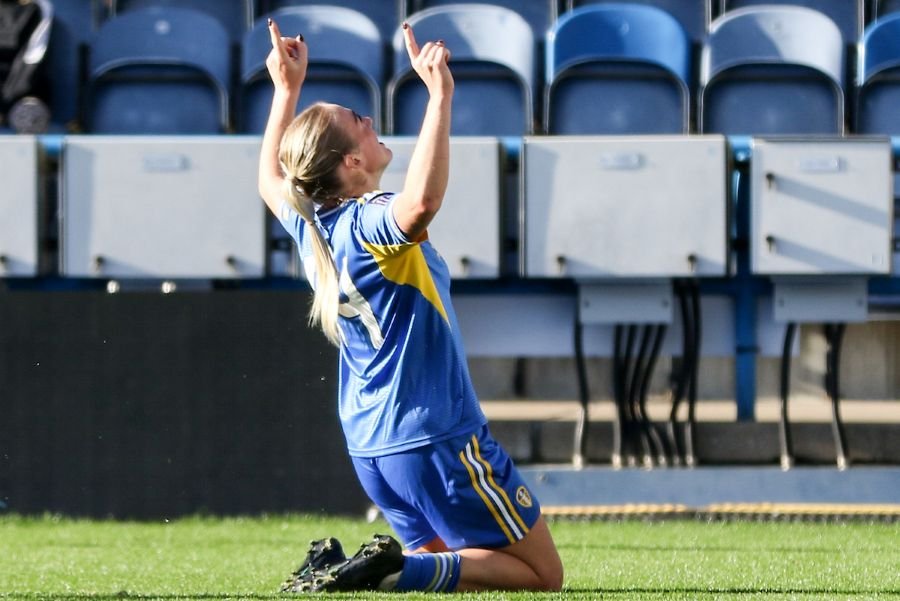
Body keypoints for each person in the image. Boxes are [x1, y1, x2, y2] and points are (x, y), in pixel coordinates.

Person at [257, 17, 564, 594]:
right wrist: (439, 97)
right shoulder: (367, 217)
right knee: (542, 576)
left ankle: (363, 570)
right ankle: (389, 568)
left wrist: (284, 90)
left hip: (371, 447)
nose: (370, 122)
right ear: (350, 163)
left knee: (449, 572)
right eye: (359, 121)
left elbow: (270, 180)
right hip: (435, 436)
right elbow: (421, 203)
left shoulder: (311, 225)